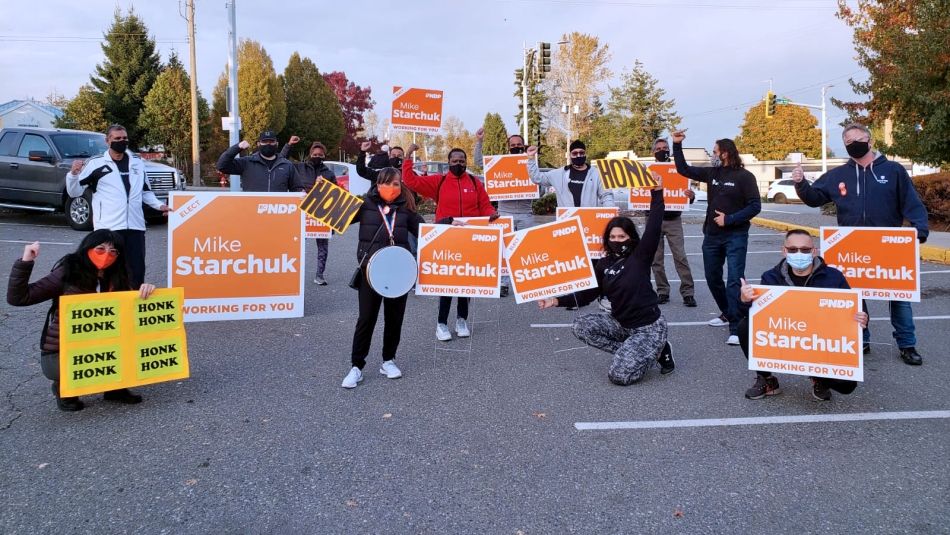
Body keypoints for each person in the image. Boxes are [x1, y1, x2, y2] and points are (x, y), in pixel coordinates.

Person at [793, 123, 929, 366]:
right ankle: (861, 339)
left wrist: (920, 230)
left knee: (899, 298)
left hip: (889, 246)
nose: (853, 144)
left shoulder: (894, 170)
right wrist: (801, 184)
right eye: (848, 142)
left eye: (858, 139)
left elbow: (911, 202)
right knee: (854, 297)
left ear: (870, 141)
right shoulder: (837, 175)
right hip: (852, 247)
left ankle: (907, 344)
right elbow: (815, 199)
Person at [538, 177, 673, 384]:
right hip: (620, 323)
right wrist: (556, 300)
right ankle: (635, 352)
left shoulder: (641, 255)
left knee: (619, 376)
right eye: (613, 238)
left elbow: (654, 225)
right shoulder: (603, 264)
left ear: (631, 238)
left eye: (622, 237)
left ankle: (655, 349)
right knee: (580, 326)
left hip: (648, 327)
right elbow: (587, 294)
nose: (617, 241)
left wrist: (657, 193)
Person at [6, 231, 158, 411]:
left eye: (113, 251)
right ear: (87, 249)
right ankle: (64, 390)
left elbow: (134, 312)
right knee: (67, 377)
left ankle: (115, 388)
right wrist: (26, 261)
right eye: (100, 249)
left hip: (103, 343)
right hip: (64, 348)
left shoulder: (119, 277)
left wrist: (147, 292)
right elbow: (19, 298)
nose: (106, 255)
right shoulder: (68, 273)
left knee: (128, 344)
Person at [738, 229, 869, 401]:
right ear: (784, 251)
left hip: (820, 340)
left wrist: (862, 319)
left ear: (814, 251)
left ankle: (819, 377)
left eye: (805, 250)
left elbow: (859, 309)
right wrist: (744, 300)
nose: (799, 253)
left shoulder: (833, 277)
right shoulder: (771, 277)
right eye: (792, 249)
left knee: (846, 386)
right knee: (745, 326)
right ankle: (766, 378)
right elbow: (756, 316)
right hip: (788, 337)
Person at [672, 130, 761, 346]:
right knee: (712, 278)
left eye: (714, 152)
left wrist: (730, 219)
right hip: (712, 236)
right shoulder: (712, 173)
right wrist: (677, 145)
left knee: (734, 280)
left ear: (725, 153)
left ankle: (736, 327)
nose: (712, 155)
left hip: (735, 235)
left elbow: (755, 206)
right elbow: (683, 169)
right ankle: (728, 313)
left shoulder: (745, 177)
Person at [402, 145, 499, 342]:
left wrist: (491, 214)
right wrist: (407, 157)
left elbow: (485, 204)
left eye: (462, 161)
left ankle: (462, 320)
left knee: (466, 282)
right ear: (448, 163)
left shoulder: (473, 182)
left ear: (466, 163)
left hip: (470, 238)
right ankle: (441, 323)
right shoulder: (440, 181)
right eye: (454, 161)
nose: (458, 164)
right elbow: (410, 180)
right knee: (447, 284)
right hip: (446, 237)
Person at [343, 167, 424, 389]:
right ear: (377, 185)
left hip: (399, 273)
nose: (391, 187)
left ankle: (388, 360)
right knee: (366, 319)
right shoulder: (364, 205)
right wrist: (316, 193)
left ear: (401, 187)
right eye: (386, 183)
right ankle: (356, 366)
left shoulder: (405, 210)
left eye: (396, 183)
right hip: (371, 271)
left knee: (394, 319)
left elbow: (427, 230)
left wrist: (450, 222)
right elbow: (335, 213)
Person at [65, 124, 169, 289]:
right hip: (108, 228)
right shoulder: (96, 164)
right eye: (117, 139)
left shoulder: (137, 162)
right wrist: (73, 175)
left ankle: (134, 308)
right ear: (108, 141)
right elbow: (74, 192)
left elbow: (145, 191)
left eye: (125, 138)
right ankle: (109, 307)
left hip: (135, 227)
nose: (122, 141)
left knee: (136, 272)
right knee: (109, 272)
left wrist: (159, 205)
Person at [473, 129, 537, 297]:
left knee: (525, 250)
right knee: (503, 251)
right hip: (504, 213)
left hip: (525, 214)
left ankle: (527, 282)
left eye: (519, 145)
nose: (516, 147)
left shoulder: (530, 162)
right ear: (508, 147)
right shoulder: (500, 163)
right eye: (513, 145)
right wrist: (479, 141)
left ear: (524, 146)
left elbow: (540, 183)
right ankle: (504, 283)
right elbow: (479, 162)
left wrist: (536, 190)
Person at [281, 136, 337, 285]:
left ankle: (320, 275)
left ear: (324, 156)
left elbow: (336, 194)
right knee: (297, 245)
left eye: (320, 155)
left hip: (321, 214)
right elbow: (281, 160)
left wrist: (324, 185)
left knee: (323, 247)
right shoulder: (299, 167)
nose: (317, 156)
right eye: (315, 154)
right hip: (302, 213)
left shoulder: (329, 174)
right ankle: (292, 273)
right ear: (310, 154)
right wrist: (289, 145)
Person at [649, 138, 697, 307]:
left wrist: (690, 197)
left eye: (665, 148)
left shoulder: (678, 169)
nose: (662, 150)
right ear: (653, 152)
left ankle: (688, 292)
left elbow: (685, 196)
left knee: (680, 257)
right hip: (654, 220)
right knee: (656, 259)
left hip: (673, 219)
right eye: (659, 148)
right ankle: (662, 291)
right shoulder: (647, 171)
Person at [525, 140, 614, 208]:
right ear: (570, 155)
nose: (578, 156)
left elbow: (606, 195)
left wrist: (609, 212)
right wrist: (531, 158)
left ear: (585, 154)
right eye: (575, 153)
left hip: (589, 220)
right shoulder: (558, 174)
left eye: (581, 153)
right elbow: (536, 178)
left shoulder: (596, 174)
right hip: (567, 222)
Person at [216, 130, 301, 192]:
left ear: (277, 144)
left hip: (277, 212)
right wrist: (237, 147)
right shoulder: (247, 162)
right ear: (258, 144)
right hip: (251, 212)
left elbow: (297, 188)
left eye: (271, 142)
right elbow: (222, 166)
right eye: (264, 142)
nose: (268, 144)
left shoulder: (287, 165)